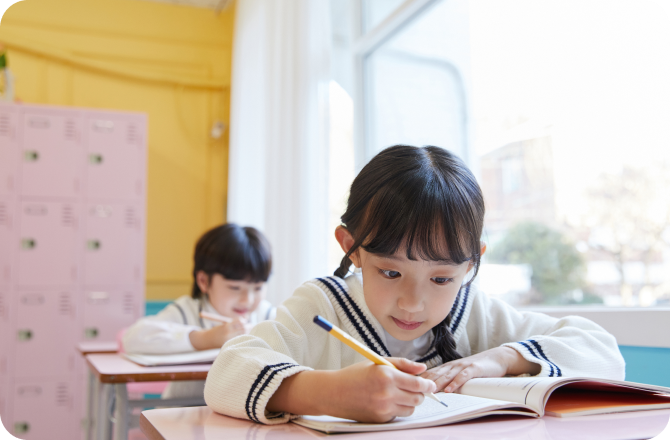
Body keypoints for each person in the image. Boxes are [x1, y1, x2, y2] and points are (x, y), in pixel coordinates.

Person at [203, 145, 625, 424]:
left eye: (441, 278)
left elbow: (603, 353)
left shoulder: (474, 311)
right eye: (390, 273)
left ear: (472, 263)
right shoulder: (322, 306)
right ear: (352, 249)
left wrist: (501, 359)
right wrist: (324, 394)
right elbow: (225, 374)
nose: (412, 304)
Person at [123, 223, 275, 399]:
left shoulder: (265, 315)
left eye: (257, 288)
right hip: (182, 416)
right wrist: (205, 339)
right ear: (203, 281)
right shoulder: (187, 311)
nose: (247, 300)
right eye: (235, 288)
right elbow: (132, 338)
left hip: (241, 420)